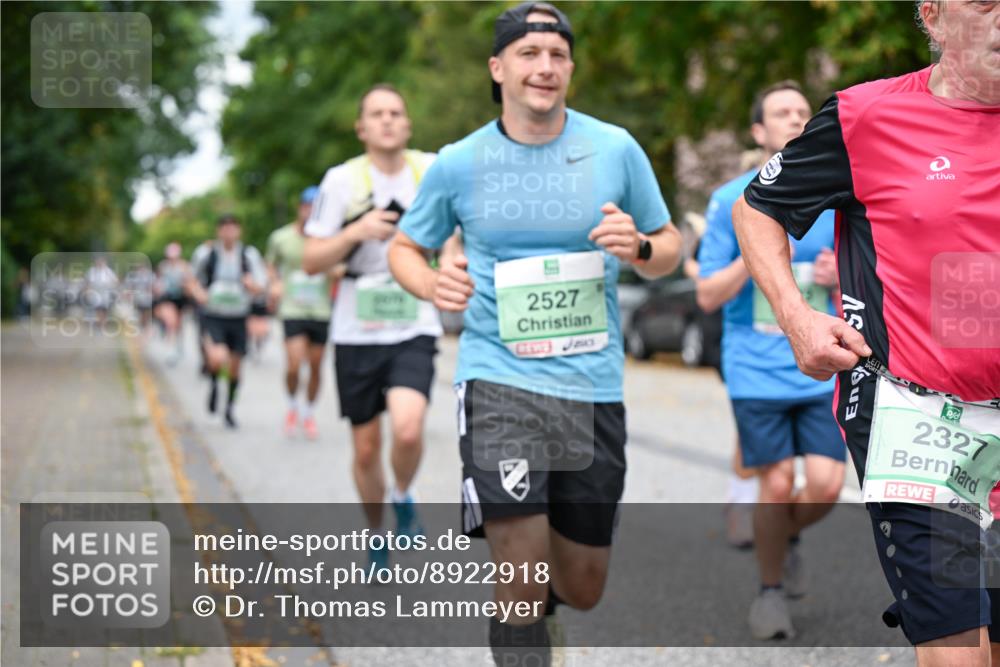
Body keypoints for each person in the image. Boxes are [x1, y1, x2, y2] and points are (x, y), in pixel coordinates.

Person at [387, 4, 682, 665]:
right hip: (498, 379)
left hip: (590, 385)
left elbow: (669, 246)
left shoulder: (615, 148)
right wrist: (431, 283)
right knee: (519, 566)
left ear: (570, 67)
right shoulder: (459, 162)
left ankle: (544, 611)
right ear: (498, 68)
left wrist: (638, 246)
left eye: (557, 54)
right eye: (528, 53)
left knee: (582, 584)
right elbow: (404, 247)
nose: (545, 67)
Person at [733, 1, 999, 664]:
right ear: (934, 17)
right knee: (959, 649)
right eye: (984, 1)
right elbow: (757, 208)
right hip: (915, 419)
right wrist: (797, 317)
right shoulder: (867, 116)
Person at [696, 80, 847, 640]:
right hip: (756, 368)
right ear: (758, 131)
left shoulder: (837, 193)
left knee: (826, 486)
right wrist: (756, 249)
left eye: (803, 111)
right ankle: (770, 592)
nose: (795, 119)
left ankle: (781, 538)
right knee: (777, 483)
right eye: (782, 112)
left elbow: (874, 278)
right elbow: (707, 295)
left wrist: (838, 277)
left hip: (822, 366)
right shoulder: (729, 201)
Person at [302, 84, 443, 571]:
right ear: (361, 128)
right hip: (356, 328)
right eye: (377, 114)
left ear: (408, 124)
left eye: (396, 113)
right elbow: (311, 260)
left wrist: (451, 262)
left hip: (413, 322)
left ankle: (403, 493)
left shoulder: (431, 171)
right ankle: (376, 533)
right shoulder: (341, 181)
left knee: (408, 428)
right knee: (365, 450)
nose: (387, 120)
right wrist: (356, 231)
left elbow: (459, 235)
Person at [266, 186, 336, 440]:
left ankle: (308, 412)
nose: (311, 212)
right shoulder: (281, 238)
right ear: (300, 208)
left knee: (316, 366)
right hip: (292, 308)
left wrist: (332, 270)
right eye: (308, 206)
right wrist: (274, 283)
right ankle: (292, 406)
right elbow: (270, 265)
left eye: (317, 208)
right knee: (294, 364)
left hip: (320, 310)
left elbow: (341, 268)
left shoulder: (331, 238)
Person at [187, 215, 267, 429]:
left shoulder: (248, 255)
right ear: (219, 231)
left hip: (239, 316)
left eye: (233, 228)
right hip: (214, 315)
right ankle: (214, 382)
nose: (229, 232)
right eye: (225, 228)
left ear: (239, 231)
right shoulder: (206, 254)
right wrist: (199, 294)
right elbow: (191, 280)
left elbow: (261, 285)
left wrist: (252, 285)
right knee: (217, 357)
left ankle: (229, 408)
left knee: (235, 368)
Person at [154, 242, 191, 365]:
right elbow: (158, 282)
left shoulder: (184, 266)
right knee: (171, 322)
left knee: (178, 324)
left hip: (181, 298)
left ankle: (179, 346)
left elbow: (189, 281)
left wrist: (185, 285)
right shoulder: (163, 266)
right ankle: (171, 350)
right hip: (167, 297)